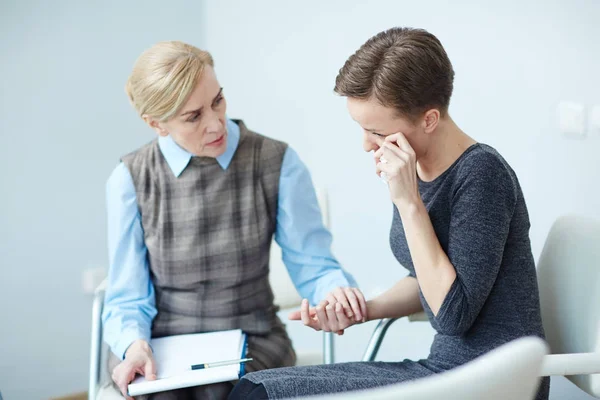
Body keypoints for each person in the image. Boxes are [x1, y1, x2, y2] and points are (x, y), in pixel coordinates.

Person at [229, 27, 550, 400]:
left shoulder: (482, 174)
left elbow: (452, 315)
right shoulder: (413, 167)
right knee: (255, 386)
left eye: (376, 132)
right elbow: (425, 282)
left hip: (492, 379)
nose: (367, 144)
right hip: (447, 368)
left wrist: (408, 202)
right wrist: (365, 309)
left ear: (429, 119)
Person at [100, 41, 367, 400]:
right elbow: (127, 296)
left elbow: (314, 265)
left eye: (217, 101)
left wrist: (336, 292)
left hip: (253, 336)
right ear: (156, 123)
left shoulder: (277, 161)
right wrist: (134, 345)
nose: (215, 124)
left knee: (220, 391)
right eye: (193, 116)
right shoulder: (130, 179)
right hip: (160, 341)